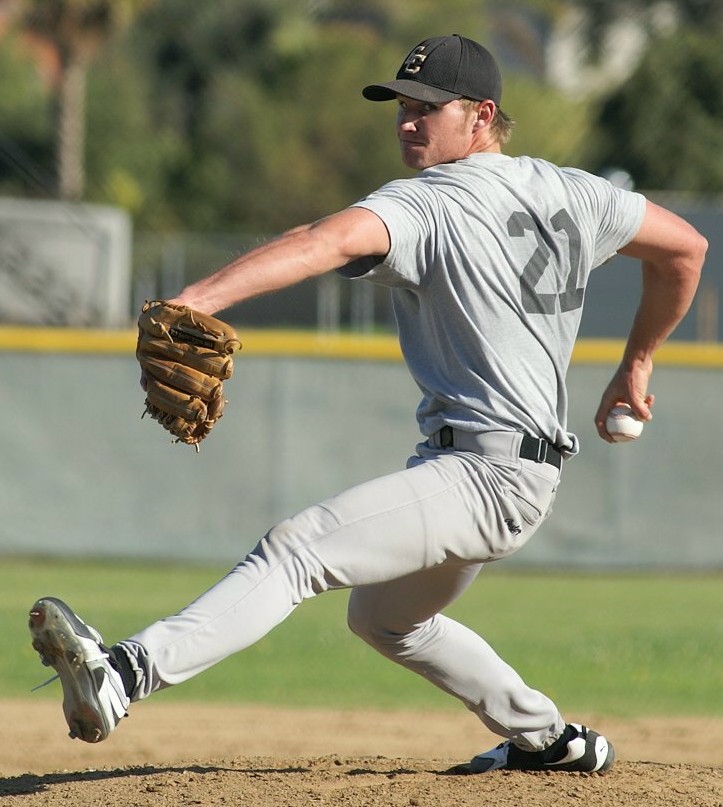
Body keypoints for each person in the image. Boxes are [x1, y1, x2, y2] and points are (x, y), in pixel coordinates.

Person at [29, 34, 706, 773]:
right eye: (399, 106)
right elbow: (684, 249)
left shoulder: (429, 203)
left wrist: (196, 297)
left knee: (295, 549)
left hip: (485, 475)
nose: (407, 121)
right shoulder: (574, 191)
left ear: (482, 115)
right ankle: (550, 739)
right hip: (503, 472)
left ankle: (122, 674)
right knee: (386, 618)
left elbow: (320, 240)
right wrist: (636, 362)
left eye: (426, 107)